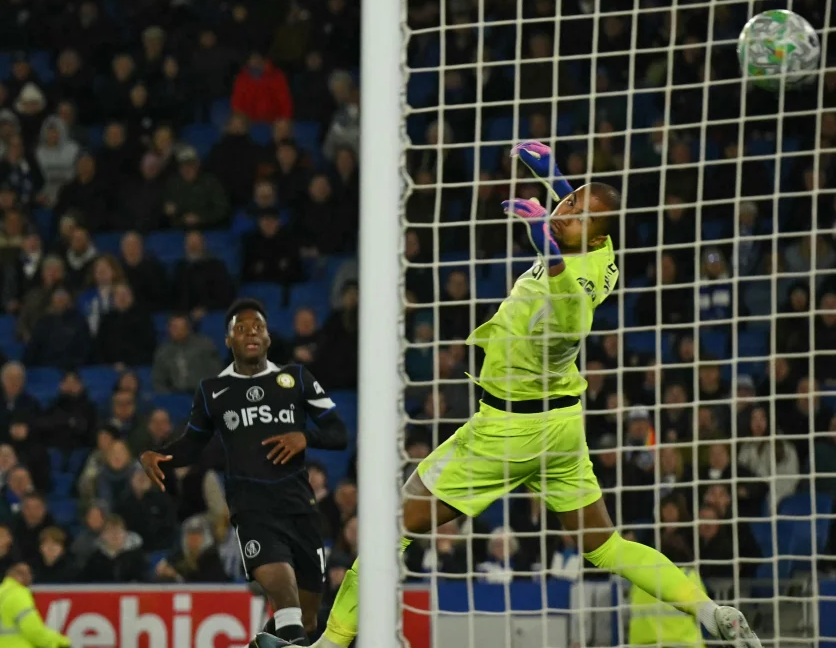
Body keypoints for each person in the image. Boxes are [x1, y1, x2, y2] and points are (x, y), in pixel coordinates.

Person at [289, 141, 760, 648]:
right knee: (605, 546)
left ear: (591, 236)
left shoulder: (574, 290)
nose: (564, 213)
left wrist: (542, 237)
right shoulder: (601, 249)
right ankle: (709, 610)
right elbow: (574, 222)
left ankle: (331, 644)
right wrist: (556, 176)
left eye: (575, 214)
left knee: (388, 527)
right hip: (561, 427)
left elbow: (560, 274)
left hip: (509, 430)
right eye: (568, 203)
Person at [140, 298, 349, 644]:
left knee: (309, 619)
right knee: (285, 598)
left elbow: (338, 433)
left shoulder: (296, 377)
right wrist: (157, 456)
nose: (251, 332)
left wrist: (304, 436)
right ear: (228, 340)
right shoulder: (213, 391)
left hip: (299, 506)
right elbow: (192, 444)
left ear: (268, 338)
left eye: (258, 328)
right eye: (241, 328)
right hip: (252, 509)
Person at [0, 561, 71, 648]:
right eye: (28, 574)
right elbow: (34, 631)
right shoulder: (18, 594)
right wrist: (61, 642)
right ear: (19, 576)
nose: (31, 578)